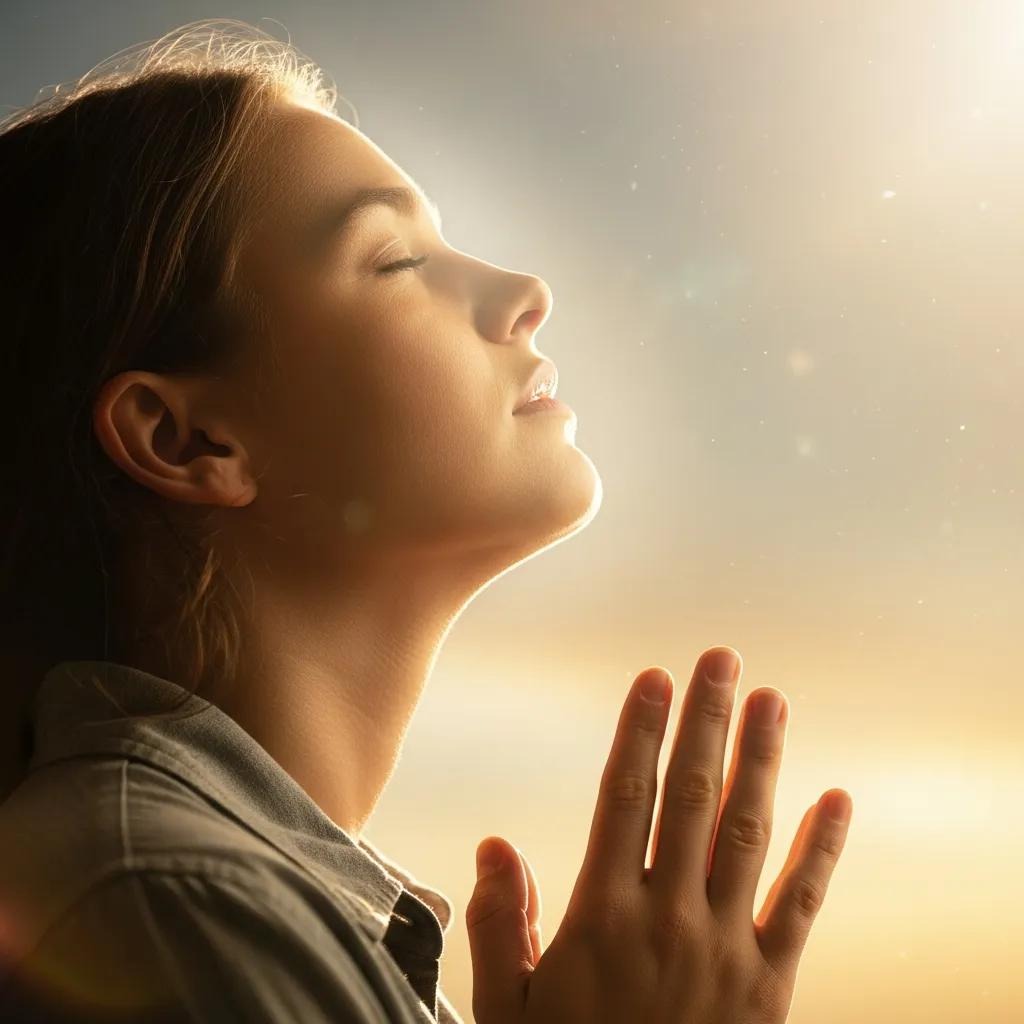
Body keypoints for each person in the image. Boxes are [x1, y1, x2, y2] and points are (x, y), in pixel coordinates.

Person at [0, 17, 852, 1024]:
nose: (524, 294)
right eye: (397, 259)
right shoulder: (169, 900)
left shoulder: (216, 892)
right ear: (184, 441)